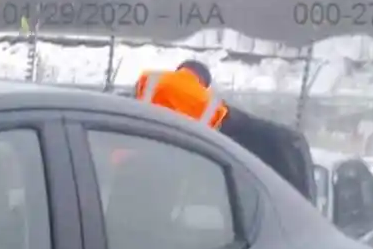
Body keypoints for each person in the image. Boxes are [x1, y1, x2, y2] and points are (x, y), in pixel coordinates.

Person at [133, 58, 317, 205]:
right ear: (203, 83)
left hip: (132, 159)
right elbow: (244, 124)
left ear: (180, 70)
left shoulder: (150, 79)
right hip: (168, 173)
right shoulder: (209, 103)